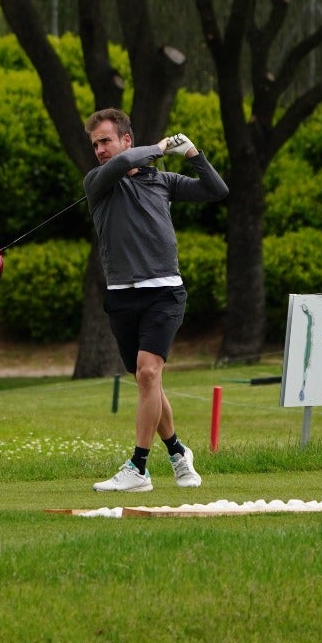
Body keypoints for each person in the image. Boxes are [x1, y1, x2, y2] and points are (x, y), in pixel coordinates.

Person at [83, 108, 228, 492]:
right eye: (95, 143)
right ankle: (179, 454)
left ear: (126, 139)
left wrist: (194, 155)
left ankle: (139, 468)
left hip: (164, 291)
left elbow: (217, 190)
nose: (99, 149)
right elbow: (127, 163)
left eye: (106, 141)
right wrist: (162, 146)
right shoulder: (99, 181)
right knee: (149, 382)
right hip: (121, 296)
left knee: (148, 373)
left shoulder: (163, 182)